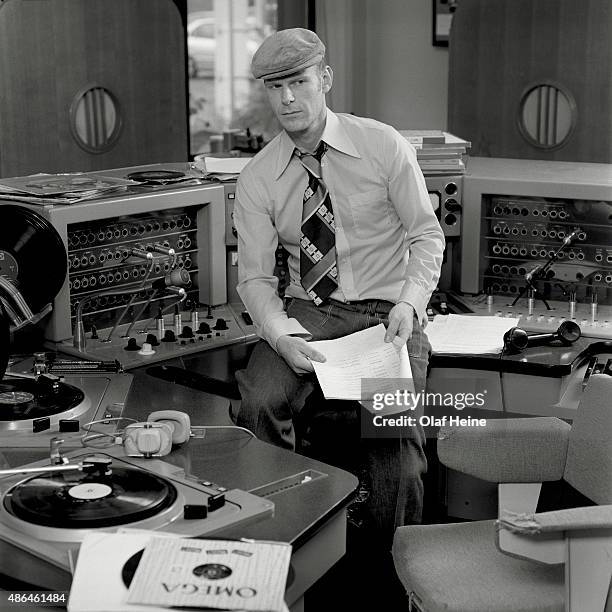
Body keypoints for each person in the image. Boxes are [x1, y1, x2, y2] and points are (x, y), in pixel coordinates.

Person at [233, 28, 445, 542]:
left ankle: (392, 572)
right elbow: (257, 279)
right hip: (310, 312)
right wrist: (281, 335)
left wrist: (410, 305)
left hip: (386, 314)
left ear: (324, 79)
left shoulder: (382, 145)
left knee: (393, 450)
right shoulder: (259, 177)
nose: (287, 98)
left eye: (299, 82)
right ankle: (284, 539)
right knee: (259, 402)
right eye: (274, 86)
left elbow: (426, 235)